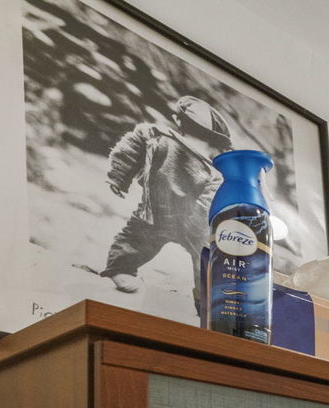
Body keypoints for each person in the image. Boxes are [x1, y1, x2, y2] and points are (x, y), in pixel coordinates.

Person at [91, 96, 233, 316]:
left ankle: (121, 269)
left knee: (136, 238)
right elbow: (212, 198)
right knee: (204, 256)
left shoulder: (154, 135)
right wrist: (201, 222)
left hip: (158, 209)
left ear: (178, 120)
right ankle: (206, 300)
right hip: (190, 216)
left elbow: (128, 149)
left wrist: (119, 176)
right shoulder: (214, 170)